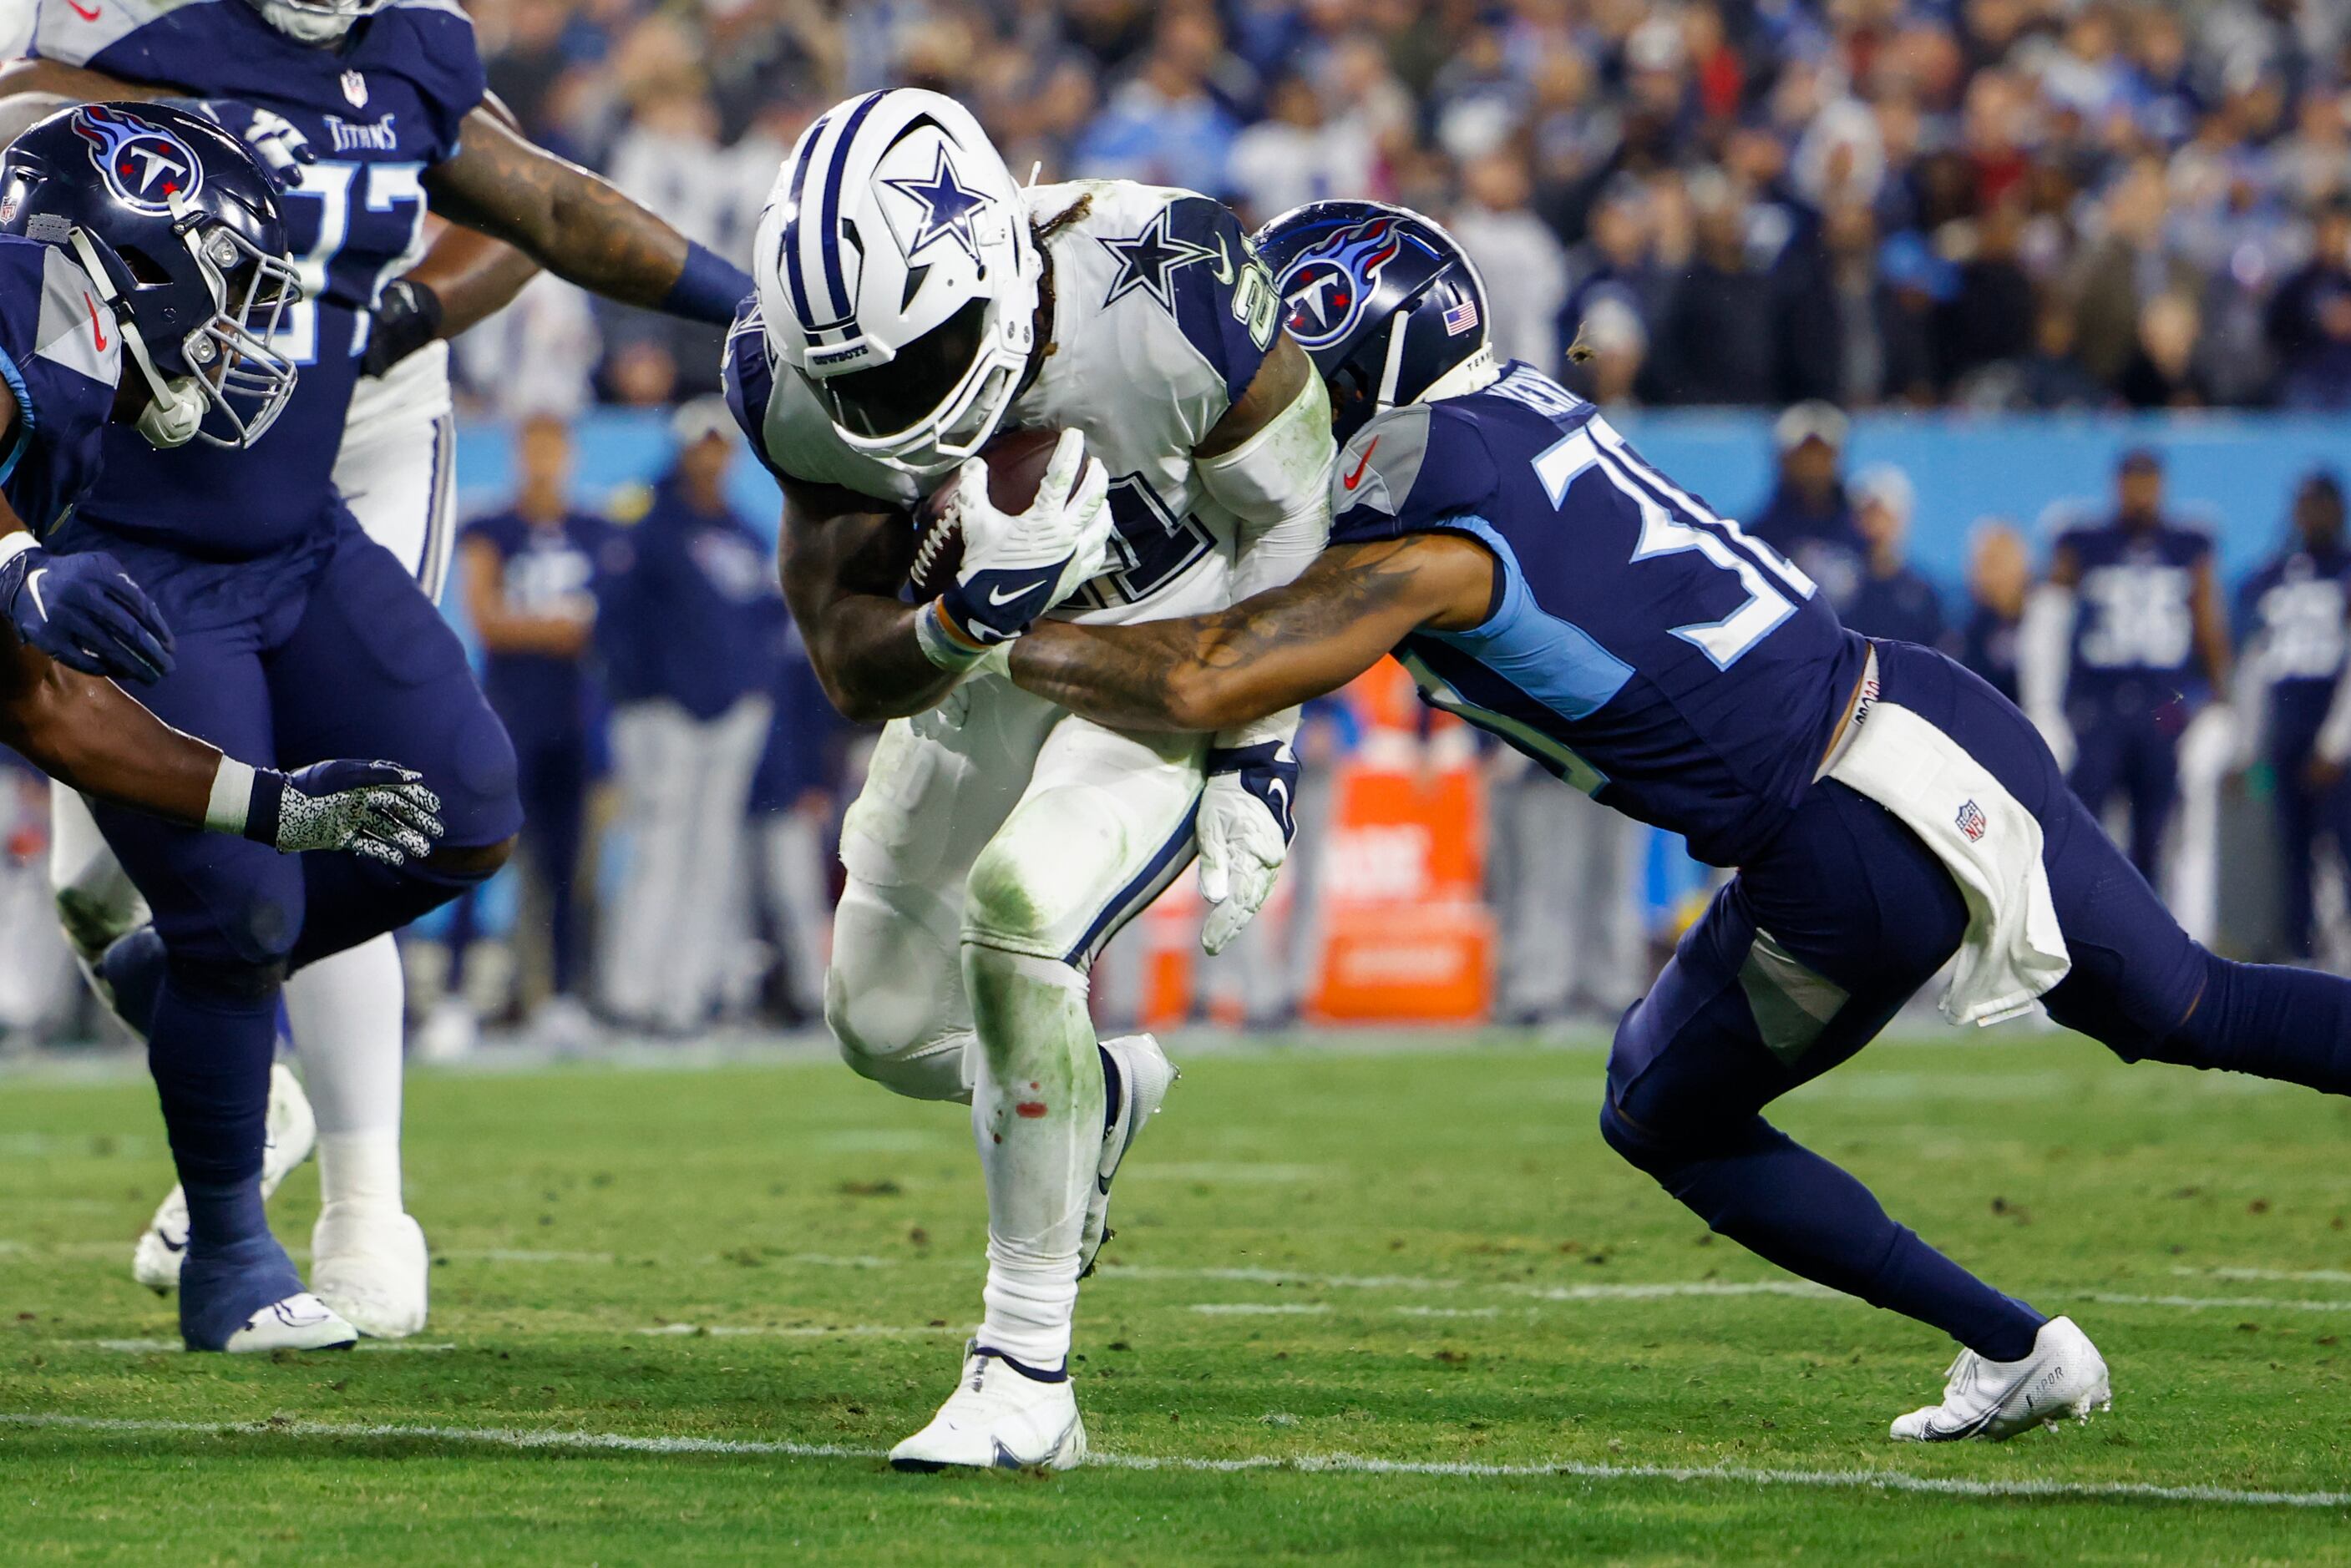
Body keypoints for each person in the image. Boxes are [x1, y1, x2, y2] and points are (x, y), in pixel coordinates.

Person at [1004, 198, 2351, 1443]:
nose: (1260, 393)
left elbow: (1201, 676)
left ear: (1352, 366)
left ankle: (2013, 1344)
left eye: (1280, 364)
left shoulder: (1422, 532)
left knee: (1660, 1109)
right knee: (2194, 1006)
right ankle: (2016, 1350)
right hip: (1927, 707)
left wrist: (997, 635)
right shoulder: (1517, 408)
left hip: (1839, 848)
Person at [0, 0, 755, 1353]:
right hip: (131, 524)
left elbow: (553, 211)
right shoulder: (98, 29)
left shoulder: (410, 48)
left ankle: (338, 1165)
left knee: (456, 801)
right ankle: (232, 1243)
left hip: (311, 500)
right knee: (190, 889)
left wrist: (757, 306)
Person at [729, 88, 1332, 1469]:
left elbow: (1296, 510)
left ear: (996, 266)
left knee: (1020, 919)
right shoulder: (790, 377)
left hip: (1169, 649)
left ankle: (1025, 1370)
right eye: (856, 382)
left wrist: (1258, 744)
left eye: (918, 353)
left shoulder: (1162, 278)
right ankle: (1093, 1096)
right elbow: (846, 658)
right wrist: (959, 619)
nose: (888, 407)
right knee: (879, 1016)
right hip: (1000, 664)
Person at [0, 106, 452, 1352]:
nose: (237, 334)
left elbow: (45, 708)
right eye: (226, 289)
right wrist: (13, 563)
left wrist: (272, 804)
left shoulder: (67, 404)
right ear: (135, 256)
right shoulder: (24, 320)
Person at [596, 397, 778, 1035]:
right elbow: (613, 622)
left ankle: (688, 992)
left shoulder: (746, 532)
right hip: (660, 717)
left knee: (712, 854)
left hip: (732, 715)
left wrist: (755, 695)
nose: (710, 457)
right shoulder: (647, 526)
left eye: (719, 446)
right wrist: (638, 701)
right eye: (700, 444)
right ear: (681, 450)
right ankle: (631, 992)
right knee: (658, 846)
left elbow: (767, 627)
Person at [448, 413, 619, 1046]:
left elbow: (609, 623)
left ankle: (563, 997)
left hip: (573, 716)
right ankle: (458, 998)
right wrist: (560, 628)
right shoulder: (492, 524)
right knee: (477, 850)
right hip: (509, 713)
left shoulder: (594, 527)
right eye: (535, 445)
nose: (545, 458)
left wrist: (545, 625)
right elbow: (487, 619)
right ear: (521, 452)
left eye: (555, 446)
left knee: (566, 861)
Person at [2045, 448, 2232, 879]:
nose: (2141, 493)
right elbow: (2049, 617)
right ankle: (2082, 923)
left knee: (2156, 822)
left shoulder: (2187, 545)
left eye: (2149, 482)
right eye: (2133, 481)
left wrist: (2223, 694)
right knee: (2084, 816)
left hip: (2165, 703)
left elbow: (2207, 621)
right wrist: (2050, 700)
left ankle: (2146, 930)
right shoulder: (2084, 542)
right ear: (2117, 485)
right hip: (2100, 700)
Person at [2241, 473, 2351, 961]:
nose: (2314, 516)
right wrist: (2250, 743)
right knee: (2292, 847)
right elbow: (2253, 662)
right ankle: (2302, 950)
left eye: (2322, 505)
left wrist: (2336, 740)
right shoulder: (2271, 575)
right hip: (2287, 725)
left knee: (2343, 841)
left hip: (2334, 721)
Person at [1747, 401, 1864, 618]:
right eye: (1804, 455)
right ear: (1783, 460)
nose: (1813, 466)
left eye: (1823, 455)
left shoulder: (1863, 532)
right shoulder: (1756, 540)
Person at [1842, 465, 1946, 649]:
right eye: (1868, 515)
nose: (1875, 525)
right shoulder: (1838, 587)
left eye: (1883, 516)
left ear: (1901, 519)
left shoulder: (1921, 593)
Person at [1958, 520, 2029, 705]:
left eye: (1994, 562)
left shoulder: (2049, 618)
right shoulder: (1973, 629)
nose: (1987, 574)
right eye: (1980, 564)